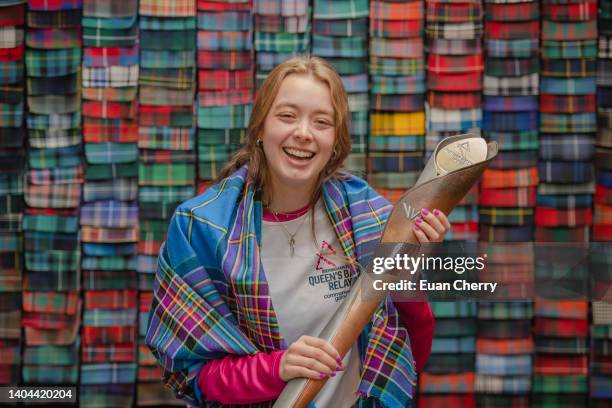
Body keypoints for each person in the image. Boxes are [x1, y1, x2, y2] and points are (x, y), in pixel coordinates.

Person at [146, 56, 449, 407]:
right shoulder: (200, 228)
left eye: (322, 122)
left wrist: (409, 273)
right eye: (287, 116)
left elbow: (411, 355)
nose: (303, 133)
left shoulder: (372, 217)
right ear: (260, 129)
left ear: (336, 141)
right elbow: (192, 375)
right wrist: (276, 369)